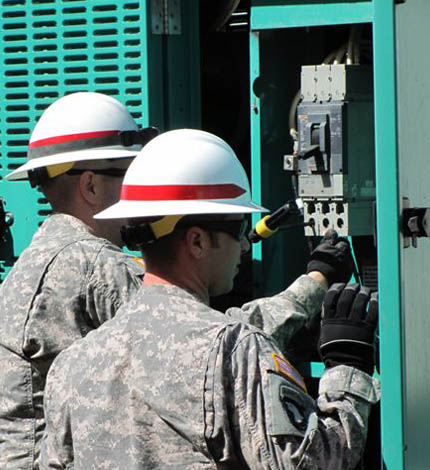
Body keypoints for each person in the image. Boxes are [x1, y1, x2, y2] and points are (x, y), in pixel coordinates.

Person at [40, 129, 378, 469]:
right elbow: (310, 462)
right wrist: (347, 366)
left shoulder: (70, 365)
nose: (246, 244)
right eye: (239, 228)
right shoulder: (234, 351)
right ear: (197, 241)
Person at [0, 92, 158, 469]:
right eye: (129, 174)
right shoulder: (98, 266)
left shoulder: (31, 261)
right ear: (90, 186)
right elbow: (200, 344)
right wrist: (311, 286)